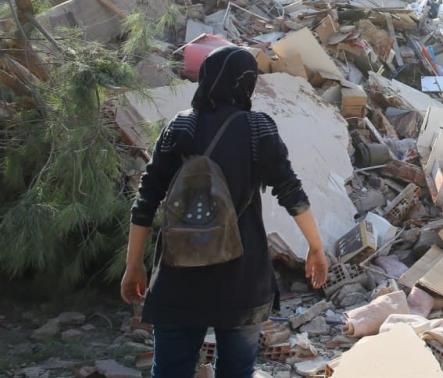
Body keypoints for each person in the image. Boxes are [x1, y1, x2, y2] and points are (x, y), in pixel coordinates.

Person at [122, 46, 328, 378]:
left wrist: (134, 265)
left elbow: (146, 199)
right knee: (236, 370)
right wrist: (315, 248)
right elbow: (290, 191)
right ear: (246, 84)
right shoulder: (258, 129)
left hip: (178, 275)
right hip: (241, 279)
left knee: (170, 370)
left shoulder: (179, 128)